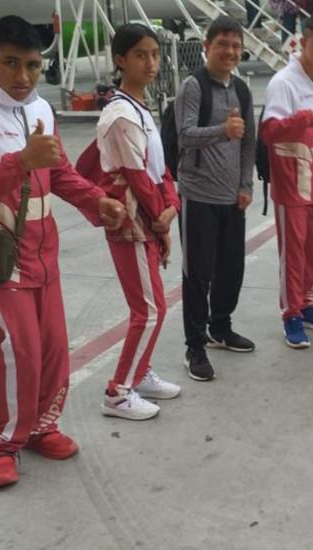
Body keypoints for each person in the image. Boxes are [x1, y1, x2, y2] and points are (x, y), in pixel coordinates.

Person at [0, 15, 126, 488]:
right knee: (21, 352)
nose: (23, 77)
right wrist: (20, 162)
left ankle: (40, 427)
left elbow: (57, 172)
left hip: (42, 251)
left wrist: (94, 199)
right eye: (11, 63)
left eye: (33, 66)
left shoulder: (38, 108)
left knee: (54, 349)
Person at [93, 24, 183, 420]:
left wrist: (171, 206)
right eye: (141, 55)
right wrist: (163, 218)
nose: (151, 63)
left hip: (149, 218)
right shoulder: (120, 115)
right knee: (148, 310)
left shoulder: (139, 108)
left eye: (155, 55)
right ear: (120, 60)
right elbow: (136, 176)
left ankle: (140, 371)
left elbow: (160, 169)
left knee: (154, 306)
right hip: (131, 222)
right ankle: (117, 393)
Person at [174, 16, 256, 382]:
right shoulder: (193, 86)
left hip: (231, 197)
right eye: (223, 44)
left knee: (231, 270)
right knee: (198, 275)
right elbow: (185, 135)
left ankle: (220, 327)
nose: (230, 51)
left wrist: (246, 185)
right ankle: (195, 346)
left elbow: (249, 141)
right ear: (207, 46)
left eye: (236, 46)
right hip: (198, 196)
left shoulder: (242, 89)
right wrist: (223, 131)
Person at [259, 12, 313, 349]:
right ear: (303, 42)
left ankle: (307, 303)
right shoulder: (283, 83)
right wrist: (307, 118)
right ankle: (290, 313)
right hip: (293, 185)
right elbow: (268, 131)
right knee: (293, 253)